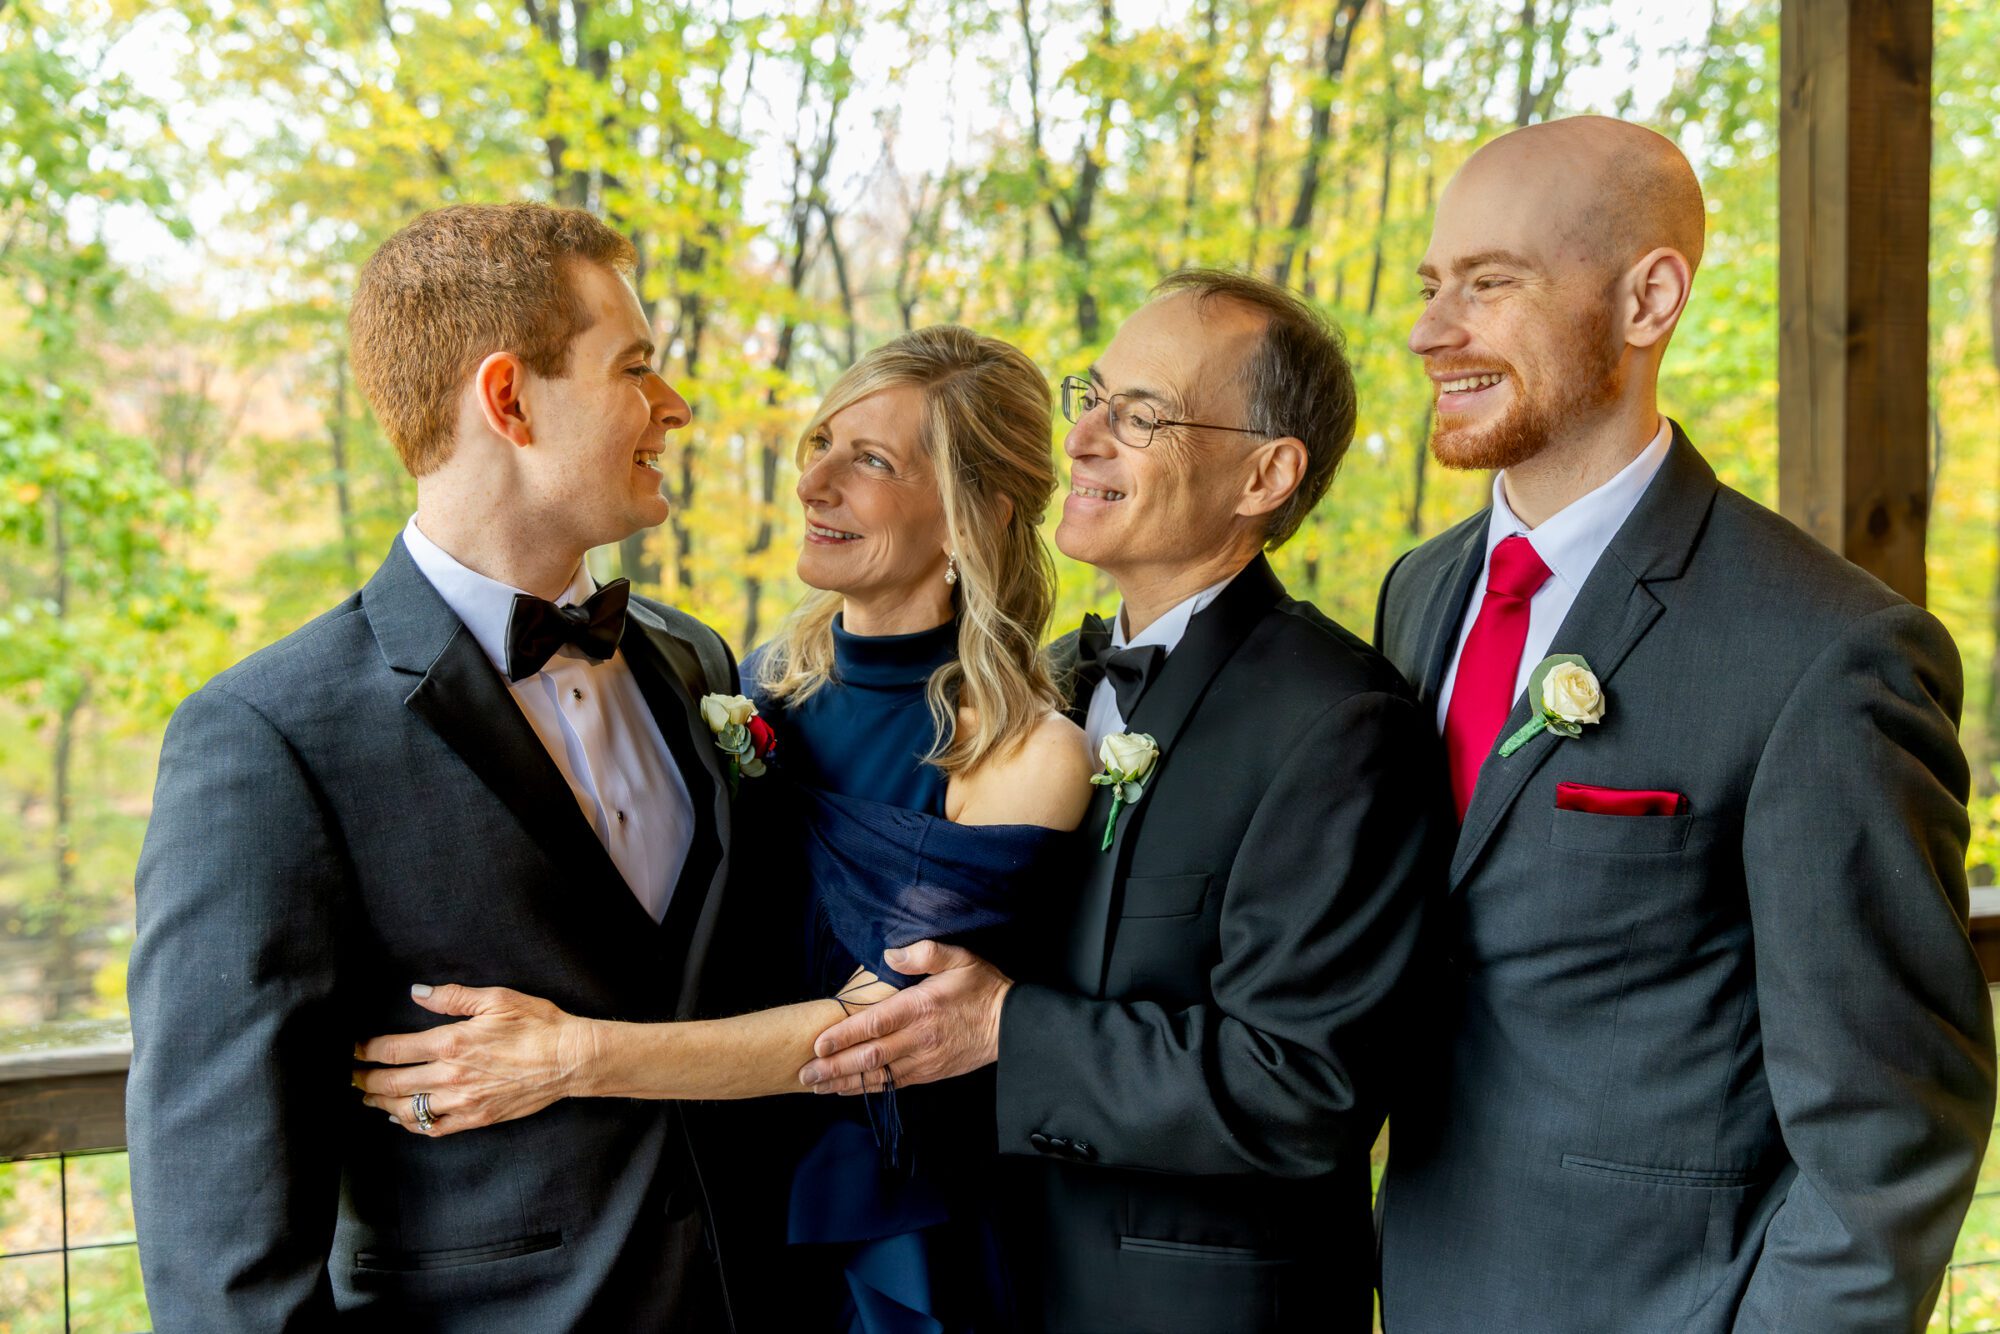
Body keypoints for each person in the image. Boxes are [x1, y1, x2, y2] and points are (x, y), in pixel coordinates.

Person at [1372, 115, 1997, 1332]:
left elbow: (1889, 1141)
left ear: (1647, 297)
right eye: (1430, 286)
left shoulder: (1826, 654)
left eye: (1489, 285)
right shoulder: (1416, 592)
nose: (1429, 332)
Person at [350, 324, 1094, 1332]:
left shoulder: (1019, 753)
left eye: (869, 460)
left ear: (975, 515)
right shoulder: (745, 689)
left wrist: (569, 1056)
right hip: (711, 1212)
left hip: (879, 1234)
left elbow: (875, 1036)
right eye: (820, 444)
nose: (814, 482)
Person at [126, 203, 749, 1330]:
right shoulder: (267, 736)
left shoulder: (691, 657)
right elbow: (220, 1238)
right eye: (636, 366)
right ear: (508, 398)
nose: (674, 405)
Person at [799, 269, 1452, 1333]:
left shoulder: (1336, 720)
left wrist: (1007, 1024)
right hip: (989, 1281)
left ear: (1264, 474)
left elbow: (1297, 1086)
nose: (1086, 437)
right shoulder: (1036, 686)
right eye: (1091, 395)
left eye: (1140, 413)